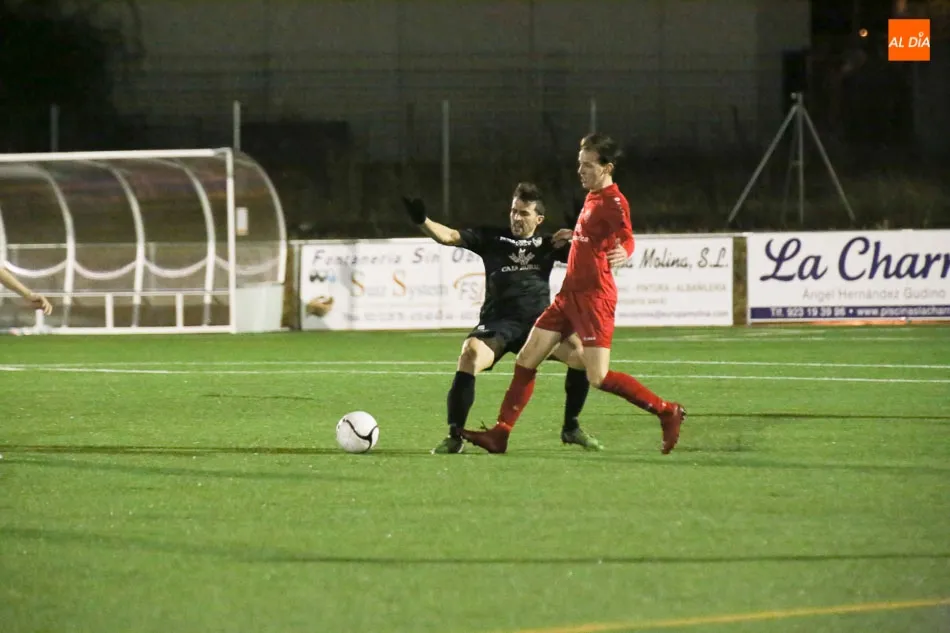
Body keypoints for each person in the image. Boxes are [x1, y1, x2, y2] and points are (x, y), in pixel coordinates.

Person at [460, 134, 686, 455]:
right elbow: (593, 235)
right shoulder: (592, 196)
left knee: (599, 376)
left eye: (587, 165)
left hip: (594, 299)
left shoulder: (614, 201)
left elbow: (626, 235)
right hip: (568, 297)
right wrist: (576, 235)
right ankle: (501, 433)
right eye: (579, 164)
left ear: (607, 168)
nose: (580, 170)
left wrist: (625, 250)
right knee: (526, 359)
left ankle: (666, 411)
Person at [402, 182, 629, 454]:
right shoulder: (491, 238)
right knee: (470, 354)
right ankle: (455, 436)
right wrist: (422, 221)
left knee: (582, 356)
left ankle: (571, 427)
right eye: (513, 211)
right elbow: (449, 236)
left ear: (538, 219)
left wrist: (591, 239)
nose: (516, 217)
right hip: (498, 324)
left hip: (539, 327)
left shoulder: (549, 244)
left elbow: (592, 257)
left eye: (523, 213)